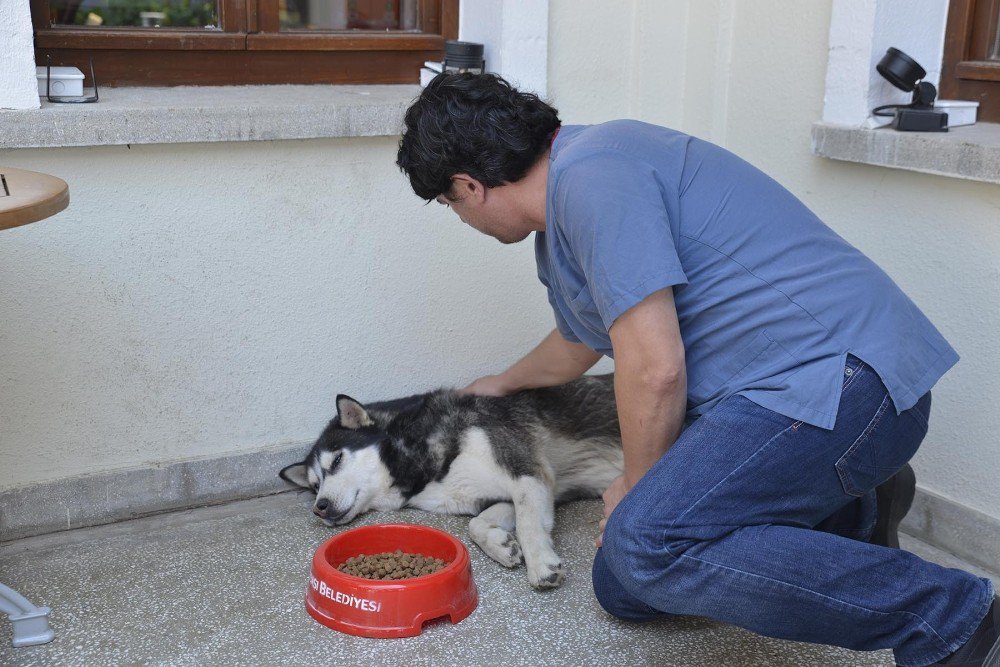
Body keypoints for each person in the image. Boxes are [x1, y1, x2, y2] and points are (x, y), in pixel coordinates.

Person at [395, 72, 999, 667]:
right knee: (624, 588)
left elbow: (654, 368)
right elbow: (585, 339)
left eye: (451, 205)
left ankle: (951, 617)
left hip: (845, 383)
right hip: (781, 397)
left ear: (468, 185)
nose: (463, 218)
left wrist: (637, 485)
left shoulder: (596, 178)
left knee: (646, 545)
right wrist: (503, 383)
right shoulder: (563, 208)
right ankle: (853, 513)